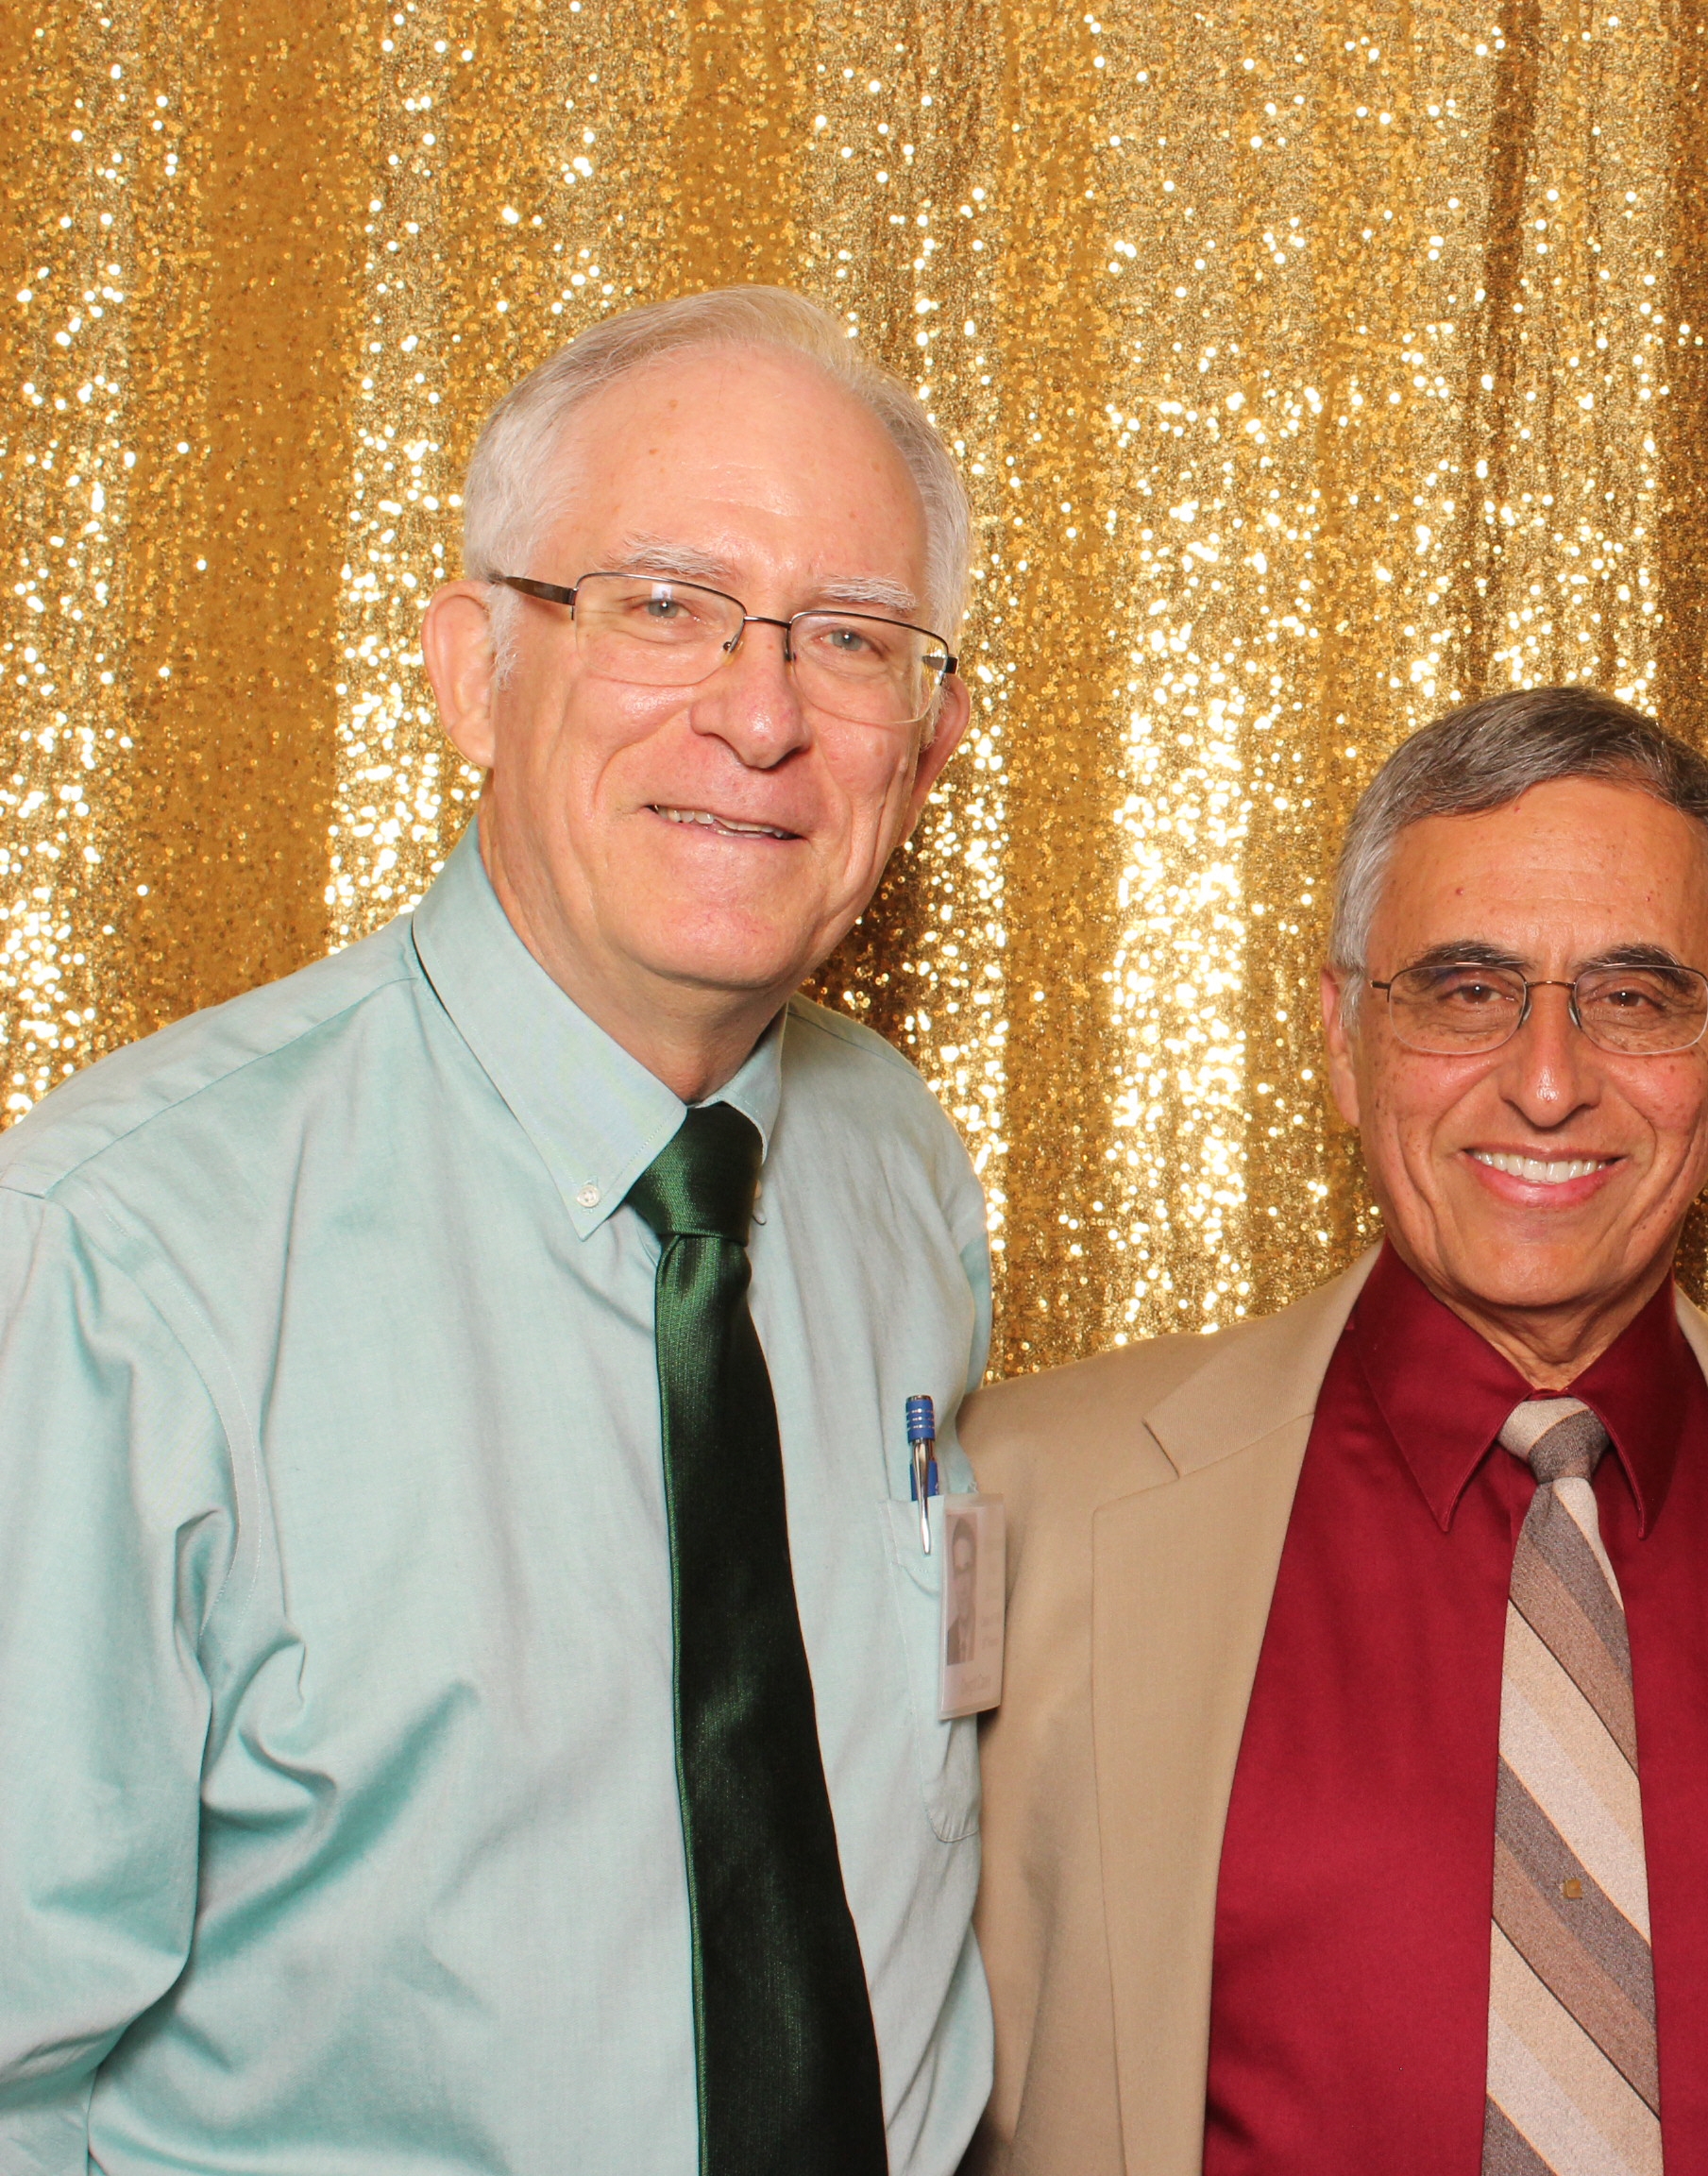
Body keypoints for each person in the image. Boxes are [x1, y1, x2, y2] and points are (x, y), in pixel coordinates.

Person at [0, 287, 996, 2174]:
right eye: (664, 604)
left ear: (926, 746)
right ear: (474, 672)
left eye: (851, 639)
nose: (761, 714)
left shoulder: (904, 1177)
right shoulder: (119, 1257)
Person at [966, 688, 1708, 2176]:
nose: (1548, 1083)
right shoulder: (1031, 1506)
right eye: (1466, 991)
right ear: (1343, 1037)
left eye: (1636, 998)